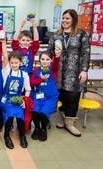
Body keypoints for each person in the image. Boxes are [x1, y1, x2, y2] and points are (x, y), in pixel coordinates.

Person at [47, 9, 91, 137]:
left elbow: (85, 53)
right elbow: (49, 52)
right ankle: (63, 120)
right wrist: (49, 61)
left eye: (68, 18)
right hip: (59, 71)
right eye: (63, 18)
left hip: (74, 71)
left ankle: (70, 123)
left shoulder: (81, 34)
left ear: (74, 20)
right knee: (61, 95)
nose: (64, 21)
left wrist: (84, 70)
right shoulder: (56, 35)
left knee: (73, 96)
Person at [1, 51, 31, 149]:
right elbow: (5, 55)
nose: (14, 65)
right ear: (9, 63)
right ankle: (6, 136)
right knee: (10, 116)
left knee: (19, 117)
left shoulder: (24, 75)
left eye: (16, 62)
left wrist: (24, 101)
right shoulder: (6, 71)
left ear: (20, 63)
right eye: (12, 63)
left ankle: (22, 136)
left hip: (18, 99)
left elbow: (28, 90)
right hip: (7, 99)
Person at [30, 51, 60, 141]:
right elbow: (32, 82)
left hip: (50, 98)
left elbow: (56, 65)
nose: (45, 61)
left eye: (47, 59)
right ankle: (37, 128)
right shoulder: (36, 70)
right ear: (39, 60)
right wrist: (41, 79)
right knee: (35, 112)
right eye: (42, 59)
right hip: (38, 96)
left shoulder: (53, 70)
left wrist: (57, 57)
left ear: (51, 60)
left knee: (43, 113)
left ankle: (43, 129)